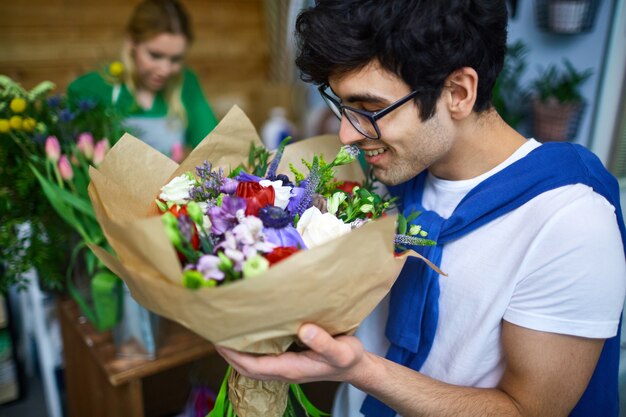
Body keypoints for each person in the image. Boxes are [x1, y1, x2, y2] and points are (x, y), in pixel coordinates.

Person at [217, 1, 626, 416]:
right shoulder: (383, 173)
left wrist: (360, 370)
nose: (345, 135)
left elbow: (528, 410)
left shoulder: (571, 221)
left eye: (371, 109)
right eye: (341, 104)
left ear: (458, 93)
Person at [67, 0, 217, 157]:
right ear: (132, 41)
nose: (165, 70)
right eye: (155, 55)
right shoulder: (93, 88)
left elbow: (213, 146)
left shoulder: (186, 83)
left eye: (175, 59)